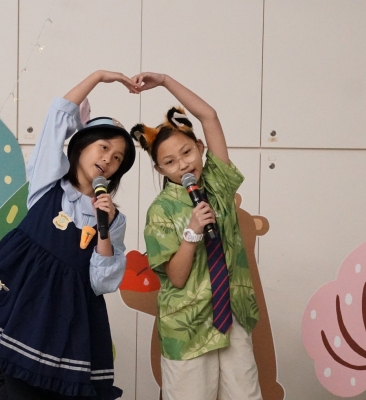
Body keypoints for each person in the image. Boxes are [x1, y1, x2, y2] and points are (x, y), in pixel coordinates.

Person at [0, 70, 138, 400]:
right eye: (103, 147)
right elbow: (59, 113)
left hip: (69, 316)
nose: (108, 159)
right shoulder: (49, 182)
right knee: (17, 386)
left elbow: (103, 282)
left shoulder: (114, 219)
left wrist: (103, 227)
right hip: (24, 302)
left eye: (117, 158)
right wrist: (99, 76)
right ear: (81, 147)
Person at [130, 72, 262, 400]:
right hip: (187, 327)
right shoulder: (160, 211)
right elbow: (176, 278)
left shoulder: (217, 185)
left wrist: (165, 81)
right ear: (160, 169)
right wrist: (192, 232)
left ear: (200, 148)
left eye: (187, 152)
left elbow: (209, 116)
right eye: (170, 161)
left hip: (232, 316)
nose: (183, 164)